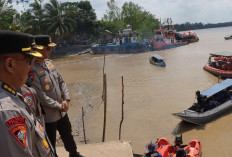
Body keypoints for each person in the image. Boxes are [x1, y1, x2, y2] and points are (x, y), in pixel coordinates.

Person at [0, 30, 54, 156]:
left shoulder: (11, 96)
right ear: (10, 64)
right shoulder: (7, 112)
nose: (30, 67)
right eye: (29, 60)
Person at [31, 35, 83, 157]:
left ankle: (74, 154)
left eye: (50, 48)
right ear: (38, 49)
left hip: (62, 111)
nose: (50, 51)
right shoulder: (33, 70)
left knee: (68, 134)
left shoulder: (50, 63)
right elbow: (41, 96)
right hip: (49, 116)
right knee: (50, 142)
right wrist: (59, 105)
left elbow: (61, 82)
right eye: (48, 48)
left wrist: (66, 99)